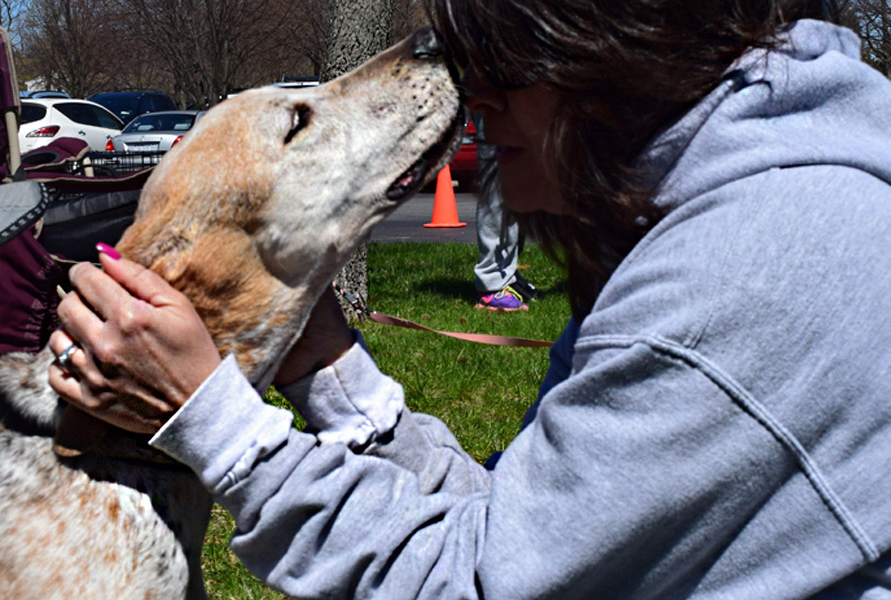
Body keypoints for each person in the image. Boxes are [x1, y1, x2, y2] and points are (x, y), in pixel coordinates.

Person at [48, 0, 891, 597]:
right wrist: (333, 374)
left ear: (619, 59)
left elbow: (481, 582)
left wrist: (220, 430)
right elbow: (521, 528)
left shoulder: (745, 267)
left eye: (510, 64)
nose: (473, 96)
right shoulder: (704, 218)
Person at [471, 111, 539, 311]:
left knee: (517, 183)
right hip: (496, 92)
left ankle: (506, 276)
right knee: (498, 184)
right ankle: (491, 285)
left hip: (518, 87)